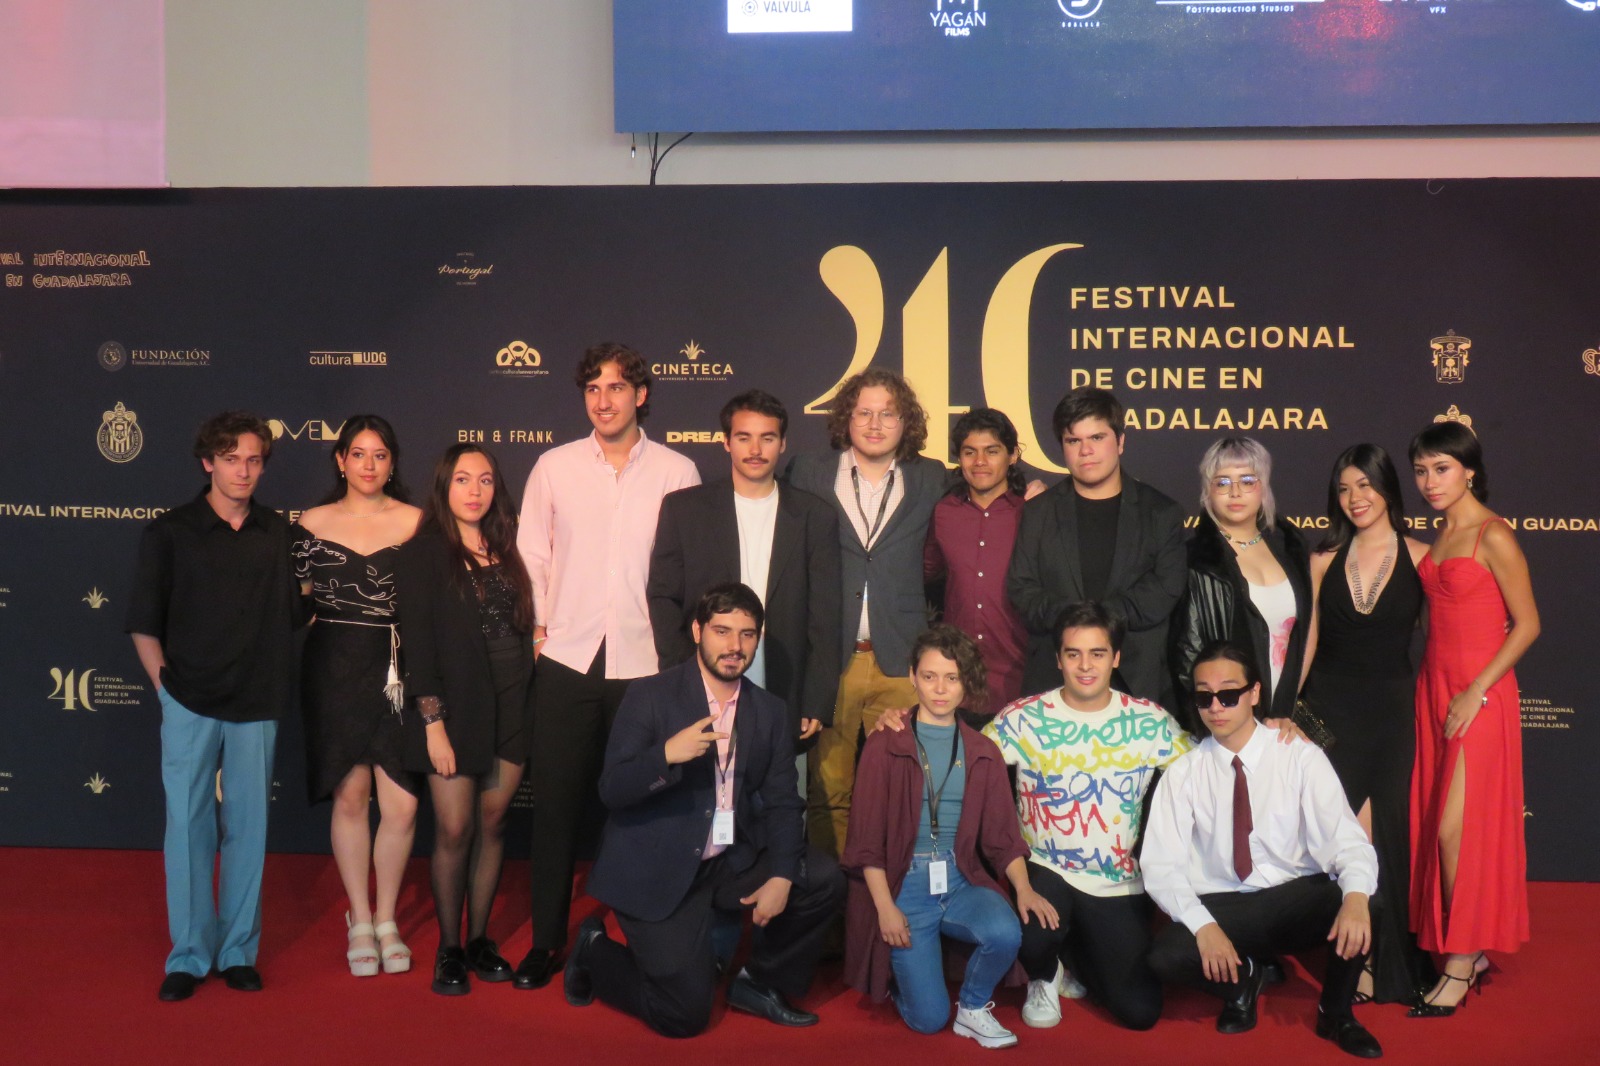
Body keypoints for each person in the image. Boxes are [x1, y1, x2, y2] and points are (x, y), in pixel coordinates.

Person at [564, 584, 846, 1038]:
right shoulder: (650, 695)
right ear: (697, 631)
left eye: (747, 634)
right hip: (660, 866)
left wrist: (781, 875)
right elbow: (612, 789)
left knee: (821, 877)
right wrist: (666, 756)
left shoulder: (770, 711)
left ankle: (759, 982)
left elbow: (782, 801)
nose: (735, 646)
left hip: (731, 859)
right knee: (683, 1016)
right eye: (722, 631)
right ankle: (593, 949)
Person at [515, 343, 701, 986]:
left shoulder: (678, 471)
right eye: (592, 388)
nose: (603, 400)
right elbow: (531, 554)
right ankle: (546, 943)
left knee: (645, 810)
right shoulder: (554, 466)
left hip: (647, 665)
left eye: (616, 387)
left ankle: (641, 943)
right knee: (555, 810)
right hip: (567, 660)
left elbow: (686, 569)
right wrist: (541, 630)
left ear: (640, 395)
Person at [126, 411, 304, 1002]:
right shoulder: (170, 531)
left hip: (258, 700)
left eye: (253, 460)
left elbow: (299, 609)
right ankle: (189, 954)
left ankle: (237, 953)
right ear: (208, 462)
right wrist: (166, 691)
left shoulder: (279, 534)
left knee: (248, 831)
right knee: (187, 826)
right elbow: (143, 623)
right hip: (189, 700)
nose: (243, 471)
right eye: (231, 460)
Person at [1144, 641, 1383, 1059]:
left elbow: (1345, 839)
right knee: (1165, 957)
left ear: (1254, 693)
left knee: (1364, 898)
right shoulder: (1183, 774)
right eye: (1204, 697)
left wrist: (1356, 897)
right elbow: (1161, 867)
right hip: (1226, 904)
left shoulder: (1299, 756)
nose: (1215, 707)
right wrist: (1204, 926)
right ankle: (1243, 982)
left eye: (1228, 694)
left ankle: (1336, 1013)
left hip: (1293, 899)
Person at [843, 624, 1057, 1048]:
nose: (940, 689)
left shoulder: (982, 752)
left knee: (1006, 930)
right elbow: (865, 841)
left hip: (959, 880)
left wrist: (1024, 889)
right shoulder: (885, 743)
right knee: (928, 1019)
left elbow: (1002, 837)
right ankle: (902, 981)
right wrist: (885, 907)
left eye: (952, 678)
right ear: (912, 676)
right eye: (929, 676)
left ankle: (973, 1008)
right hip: (903, 887)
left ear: (965, 683)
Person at [985, 601, 1191, 1031]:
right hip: (1044, 869)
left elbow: (1208, 767)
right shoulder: (1022, 718)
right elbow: (964, 757)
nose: (1085, 665)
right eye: (1073, 653)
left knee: (1140, 1012)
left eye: (1097, 653)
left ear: (1115, 658)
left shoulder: (1150, 721)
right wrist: (909, 721)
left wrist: (1267, 732)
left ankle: (1075, 952)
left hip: (1116, 881)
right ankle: (1043, 973)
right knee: (1034, 934)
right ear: (1058, 659)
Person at [784, 368, 947, 856]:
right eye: (864, 413)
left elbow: (983, 499)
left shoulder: (931, 476)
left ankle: (893, 890)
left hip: (901, 659)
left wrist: (1029, 491)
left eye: (888, 414)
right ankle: (832, 893)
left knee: (902, 792)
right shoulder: (808, 472)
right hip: (833, 659)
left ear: (906, 422)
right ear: (846, 418)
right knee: (828, 792)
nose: (875, 424)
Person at [1407, 422, 1539, 1016]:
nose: (1430, 482)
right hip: (1433, 690)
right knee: (1437, 824)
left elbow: (1528, 624)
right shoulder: (1440, 534)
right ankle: (1469, 952)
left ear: (1469, 471)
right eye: (1421, 471)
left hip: (1479, 696)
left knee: (1453, 830)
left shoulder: (1494, 534)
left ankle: (1461, 961)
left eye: (1441, 469)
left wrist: (1477, 690)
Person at [396, 444, 537, 995]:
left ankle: (479, 940)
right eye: (462, 479)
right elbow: (418, 647)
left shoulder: (509, 546)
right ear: (443, 486)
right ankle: (449, 949)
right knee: (455, 828)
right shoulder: (423, 554)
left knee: (494, 822)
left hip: (514, 701)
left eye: (484, 480)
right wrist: (433, 723)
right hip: (455, 709)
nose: (474, 490)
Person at [292, 414, 424, 978]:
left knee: (402, 803)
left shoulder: (418, 522)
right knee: (350, 798)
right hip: (333, 668)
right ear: (340, 460)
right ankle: (361, 919)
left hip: (397, 670)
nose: (369, 465)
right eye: (359, 454)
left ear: (392, 464)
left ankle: (388, 916)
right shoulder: (311, 523)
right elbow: (299, 602)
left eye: (380, 455)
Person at [1300, 444, 1432, 1003]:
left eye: (1365, 485)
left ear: (1387, 488)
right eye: (1344, 488)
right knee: (1345, 835)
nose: (1355, 498)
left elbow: (1446, 640)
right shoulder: (1323, 558)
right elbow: (1308, 641)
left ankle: (1384, 958)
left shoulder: (1424, 557)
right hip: (1330, 712)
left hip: (1394, 714)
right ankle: (1353, 956)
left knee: (1386, 836)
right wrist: (1287, 707)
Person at [648, 388, 841, 750]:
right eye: (743, 437)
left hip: (783, 686)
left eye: (767, 438)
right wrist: (682, 677)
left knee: (778, 782)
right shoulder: (684, 510)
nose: (755, 449)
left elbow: (825, 617)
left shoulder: (815, 516)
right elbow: (663, 598)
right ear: (726, 442)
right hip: (703, 680)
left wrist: (816, 698)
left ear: (783, 444)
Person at [1007, 387, 1185, 708]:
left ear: (1120, 441)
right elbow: (1022, 589)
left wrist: (1099, 621)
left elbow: (1165, 588)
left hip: (1136, 685)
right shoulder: (1038, 513)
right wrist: (1074, 623)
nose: (1086, 450)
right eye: (1073, 441)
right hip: (1053, 685)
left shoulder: (1161, 513)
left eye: (1097, 438)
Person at [1171, 436, 1312, 734]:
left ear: (1263, 486)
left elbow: (1305, 635)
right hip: (1226, 723)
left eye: (1247, 481)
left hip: (1284, 720)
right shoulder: (1196, 560)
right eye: (1222, 482)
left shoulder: (1291, 547)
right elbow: (1187, 655)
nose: (1235, 492)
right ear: (1207, 491)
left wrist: (1285, 713)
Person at [923, 408, 1038, 720]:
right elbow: (926, 572)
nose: (980, 462)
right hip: (956, 678)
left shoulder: (1033, 512)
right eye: (969, 452)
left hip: (1020, 676)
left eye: (992, 451)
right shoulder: (943, 512)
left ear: (1013, 455)